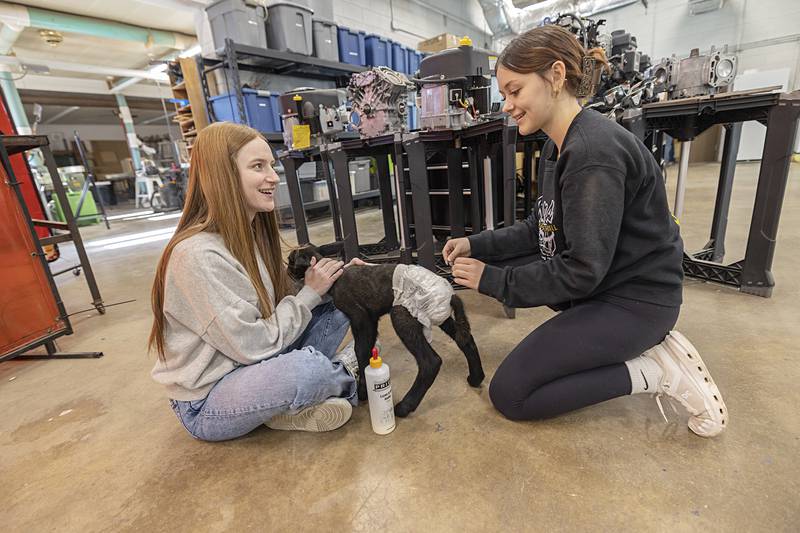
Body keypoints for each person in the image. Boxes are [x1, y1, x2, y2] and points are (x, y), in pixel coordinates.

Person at [443, 25, 728, 437]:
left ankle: (655, 371)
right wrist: (476, 243)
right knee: (529, 268)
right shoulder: (555, 145)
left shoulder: (593, 153)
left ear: (556, 76)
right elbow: (539, 228)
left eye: (515, 91)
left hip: (636, 302)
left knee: (512, 394)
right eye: (504, 94)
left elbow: (581, 269)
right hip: (606, 285)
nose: (507, 105)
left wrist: (494, 280)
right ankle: (623, 345)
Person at [149, 122, 361, 441]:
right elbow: (253, 345)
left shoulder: (247, 235)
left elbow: (276, 301)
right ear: (224, 176)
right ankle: (342, 375)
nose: (274, 177)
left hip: (253, 365)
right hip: (210, 400)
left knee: (348, 294)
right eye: (258, 166)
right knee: (307, 370)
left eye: (271, 166)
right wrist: (310, 295)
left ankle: (283, 404)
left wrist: (340, 278)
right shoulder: (196, 256)